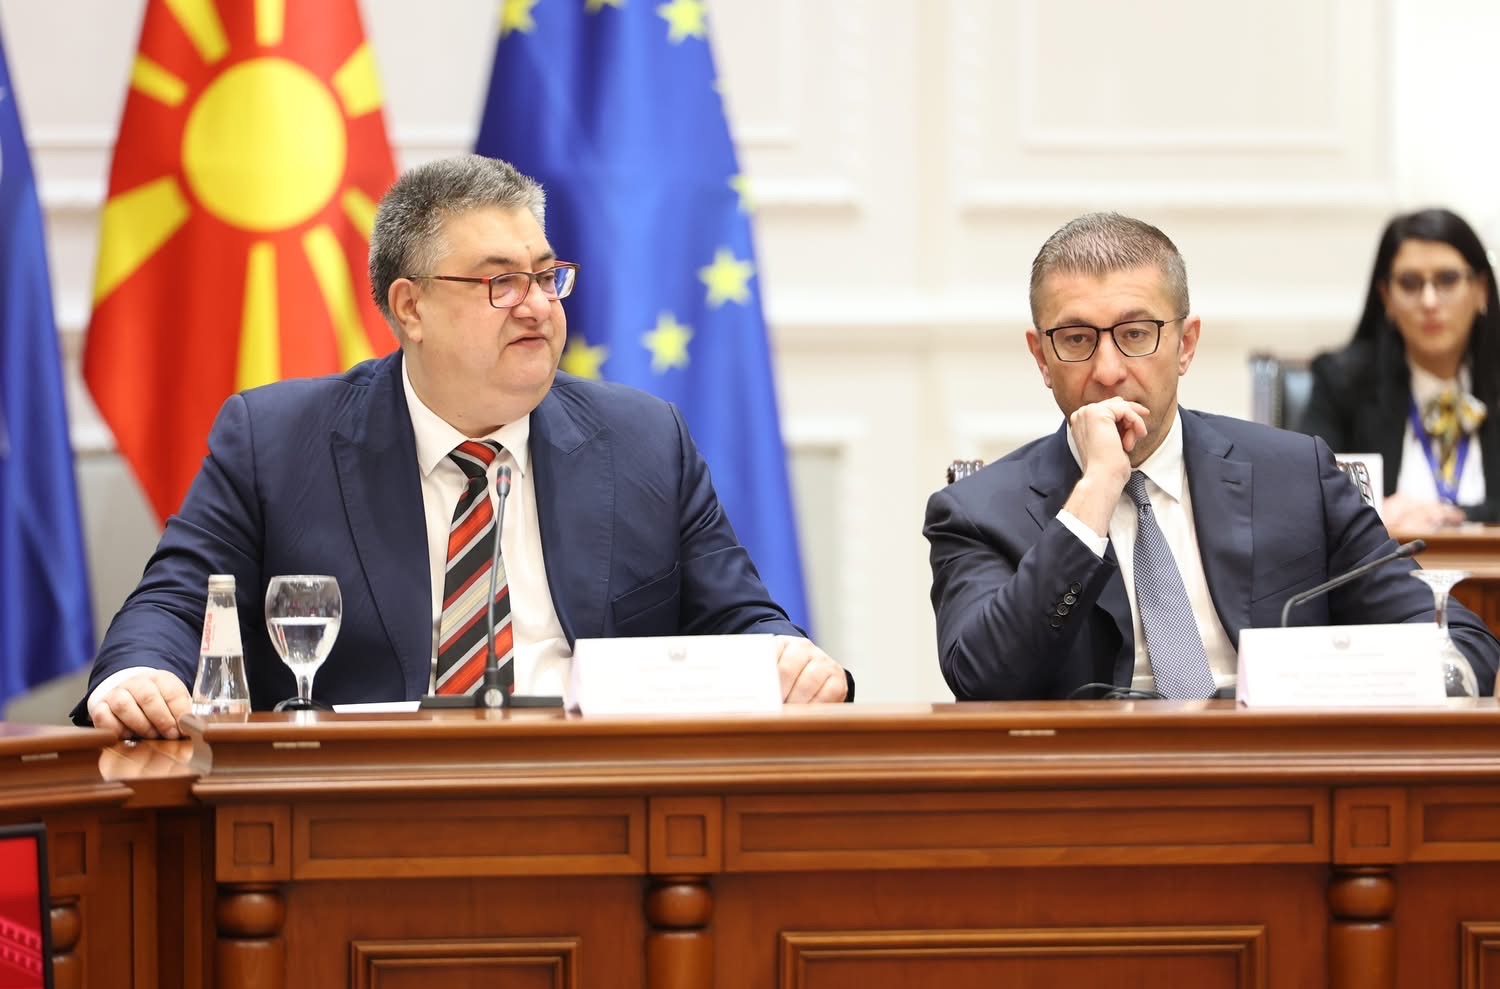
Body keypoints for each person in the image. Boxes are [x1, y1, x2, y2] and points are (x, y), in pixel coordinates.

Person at [79, 154, 847, 739]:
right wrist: (141, 674)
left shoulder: (644, 441)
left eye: (546, 277)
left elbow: (741, 619)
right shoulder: (277, 441)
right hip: (362, 817)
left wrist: (787, 654)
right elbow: (175, 602)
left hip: (598, 809)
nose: (537, 306)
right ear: (410, 308)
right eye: (500, 283)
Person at [925, 212, 1499, 701]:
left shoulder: (1295, 477)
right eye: (1076, 339)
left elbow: (1459, 642)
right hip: (1089, 785)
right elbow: (983, 682)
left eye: (1136, 333)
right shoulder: (978, 512)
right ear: (1041, 357)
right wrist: (1094, 492)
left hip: (1278, 774)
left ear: (1186, 344)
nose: (1108, 370)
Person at [1299, 208, 1500, 534]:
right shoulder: (1343, 383)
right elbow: (1304, 496)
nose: (1429, 301)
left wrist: (1451, 515)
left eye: (1448, 279)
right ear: (1386, 298)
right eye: (1410, 283)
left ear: (1481, 289)